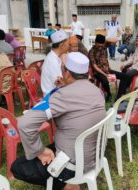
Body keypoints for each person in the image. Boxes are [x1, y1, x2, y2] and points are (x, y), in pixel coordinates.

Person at [11, 52, 106, 190]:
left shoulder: (61, 95)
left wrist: (41, 151)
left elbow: (25, 123)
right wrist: (63, 87)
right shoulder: (98, 91)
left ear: (67, 74)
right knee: (49, 149)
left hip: (71, 165)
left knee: (18, 166)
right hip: (94, 156)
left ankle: (67, 184)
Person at [111, 33, 138, 99]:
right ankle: (124, 88)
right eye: (136, 41)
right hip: (136, 66)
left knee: (128, 73)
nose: (137, 42)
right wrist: (124, 64)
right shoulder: (137, 48)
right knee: (124, 69)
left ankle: (121, 93)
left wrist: (130, 68)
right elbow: (132, 58)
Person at [41, 30, 69, 96]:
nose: (68, 46)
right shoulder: (53, 61)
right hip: (51, 97)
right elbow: (60, 84)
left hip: (56, 93)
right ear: (61, 45)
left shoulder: (55, 57)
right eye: (67, 44)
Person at [88, 34, 111, 101]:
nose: (100, 47)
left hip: (107, 70)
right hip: (98, 72)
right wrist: (105, 74)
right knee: (105, 81)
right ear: (95, 42)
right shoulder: (92, 52)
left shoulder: (104, 47)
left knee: (125, 76)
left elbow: (114, 40)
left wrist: (105, 40)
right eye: (98, 45)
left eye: (102, 46)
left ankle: (120, 95)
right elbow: (95, 67)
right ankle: (109, 94)